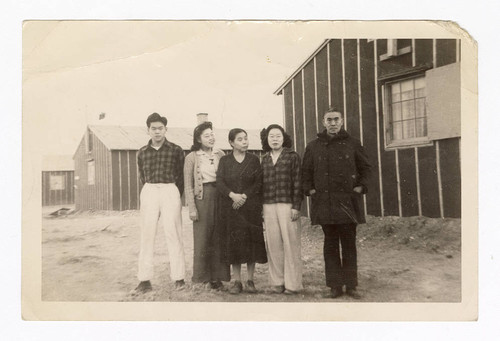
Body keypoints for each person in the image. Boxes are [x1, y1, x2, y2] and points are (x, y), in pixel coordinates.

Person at [302, 108, 372, 299]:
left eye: (336, 119)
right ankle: (334, 286)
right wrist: (311, 191)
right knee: (330, 244)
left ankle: (350, 286)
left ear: (342, 121)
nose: (333, 123)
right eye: (329, 120)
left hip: (348, 202)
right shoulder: (313, 146)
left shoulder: (353, 144)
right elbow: (306, 173)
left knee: (349, 244)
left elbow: (366, 168)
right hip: (325, 203)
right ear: (323, 122)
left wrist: (359, 188)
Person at [133, 112, 186, 294]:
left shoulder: (176, 150)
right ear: (148, 130)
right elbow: (142, 176)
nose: (157, 132)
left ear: (166, 129)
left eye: (160, 128)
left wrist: (173, 192)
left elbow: (181, 175)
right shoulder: (142, 152)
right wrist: (152, 189)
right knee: (147, 234)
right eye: (153, 128)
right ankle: (144, 280)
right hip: (149, 190)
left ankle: (179, 278)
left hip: (170, 189)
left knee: (174, 233)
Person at [216, 128, 267, 294]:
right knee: (235, 244)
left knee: (251, 243)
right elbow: (220, 182)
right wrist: (233, 196)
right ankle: (237, 281)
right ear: (231, 142)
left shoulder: (253, 160)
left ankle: (250, 281)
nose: (244, 142)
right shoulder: (224, 161)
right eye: (240, 139)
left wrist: (244, 196)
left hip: (250, 208)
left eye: (245, 138)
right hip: (231, 209)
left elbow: (258, 183)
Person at [184, 121, 230, 289]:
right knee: (203, 237)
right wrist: (192, 208)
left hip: (220, 197)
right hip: (202, 199)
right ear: (198, 139)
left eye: (212, 134)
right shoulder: (191, 157)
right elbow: (188, 185)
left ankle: (217, 278)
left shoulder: (221, 154)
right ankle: (202, 276)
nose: (211, 138)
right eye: (206, 135)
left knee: (219, 237)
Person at [260, 124, 303, 295]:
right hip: (268, 205)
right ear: (267, 139)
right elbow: (260, 185)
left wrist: (296, 207)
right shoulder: (264, 159)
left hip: (287, 205)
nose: (275, 139)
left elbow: (298, 182)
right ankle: (277, 282)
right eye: (271, 136)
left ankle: (293, 284)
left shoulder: (292, 157)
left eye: (278, 136)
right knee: (273, 244)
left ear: (284, 138)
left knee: (291, 244)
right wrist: (261, 209)